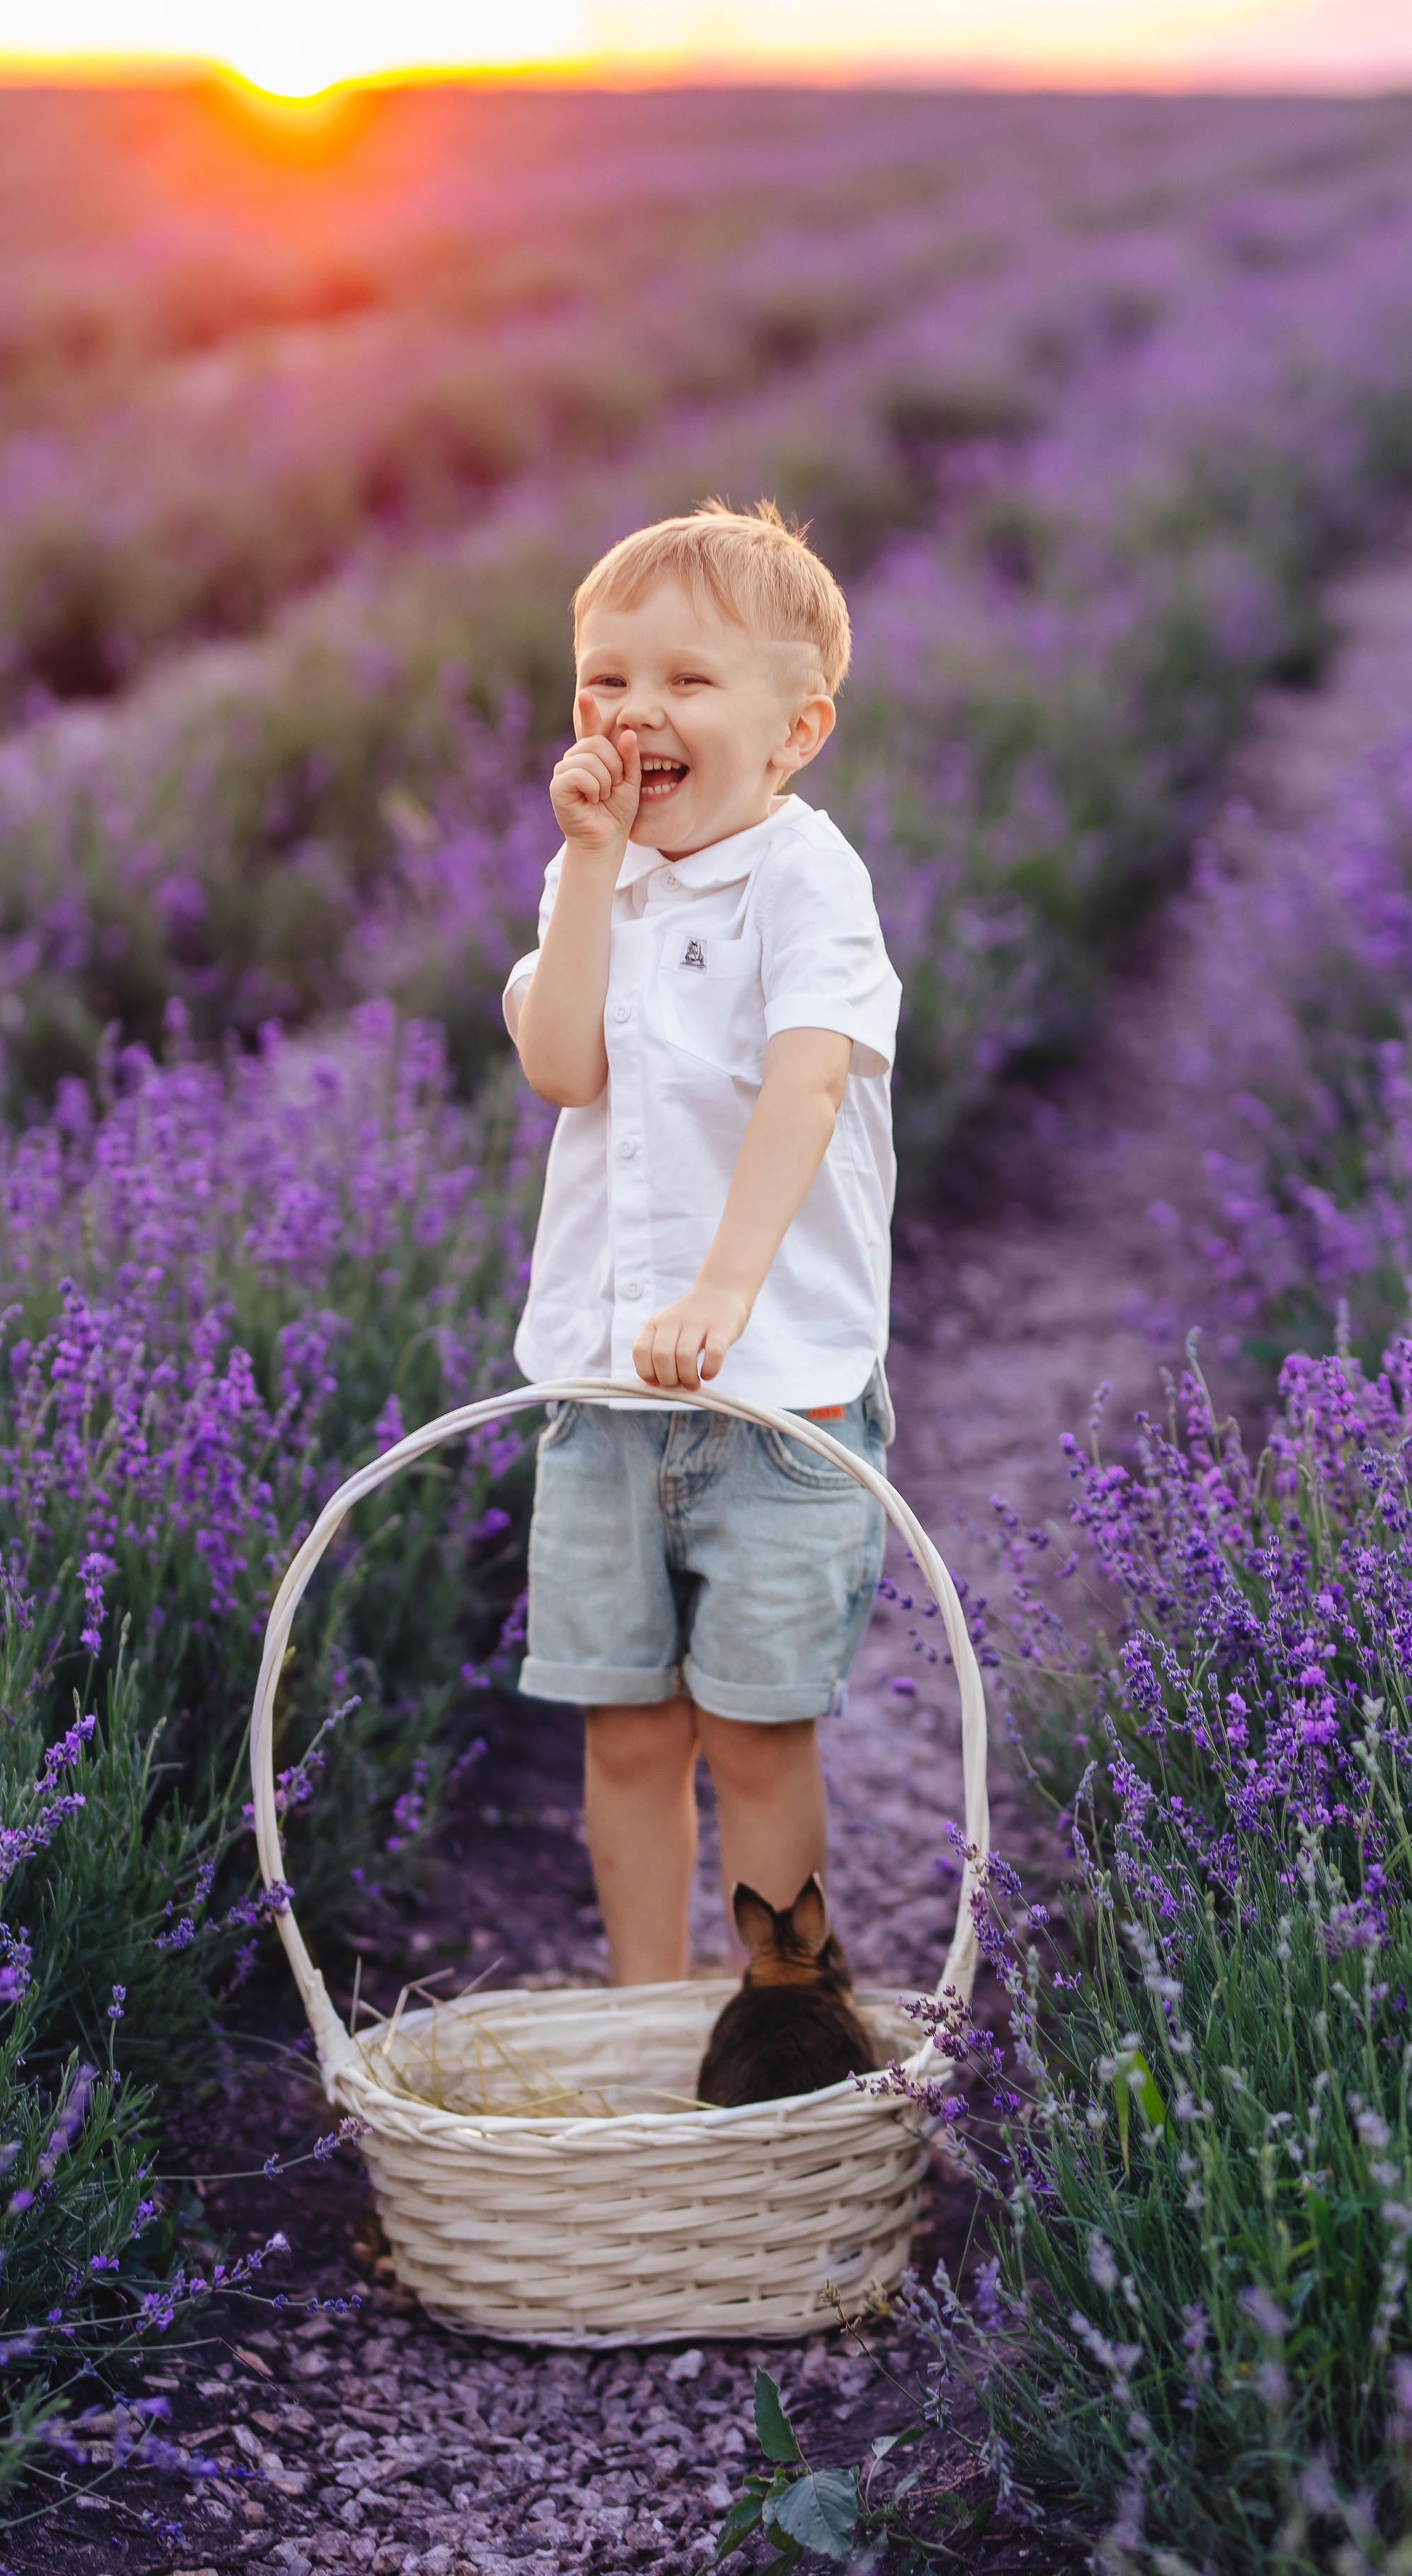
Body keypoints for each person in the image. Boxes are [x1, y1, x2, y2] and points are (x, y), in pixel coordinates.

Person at [502, 499, 900, 1985]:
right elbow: (561, 1066)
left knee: (752, 1734)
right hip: (604, 1398)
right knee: (626, 1732)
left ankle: (783, 2019)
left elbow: (803, 1081)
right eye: (606, 679)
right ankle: (645, 2023)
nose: (632, 712)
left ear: (794, 731)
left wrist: (723, 1289)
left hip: (773, 1398)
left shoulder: (808, 880)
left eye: (683, 681)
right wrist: (593, 868)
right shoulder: (587, 873)